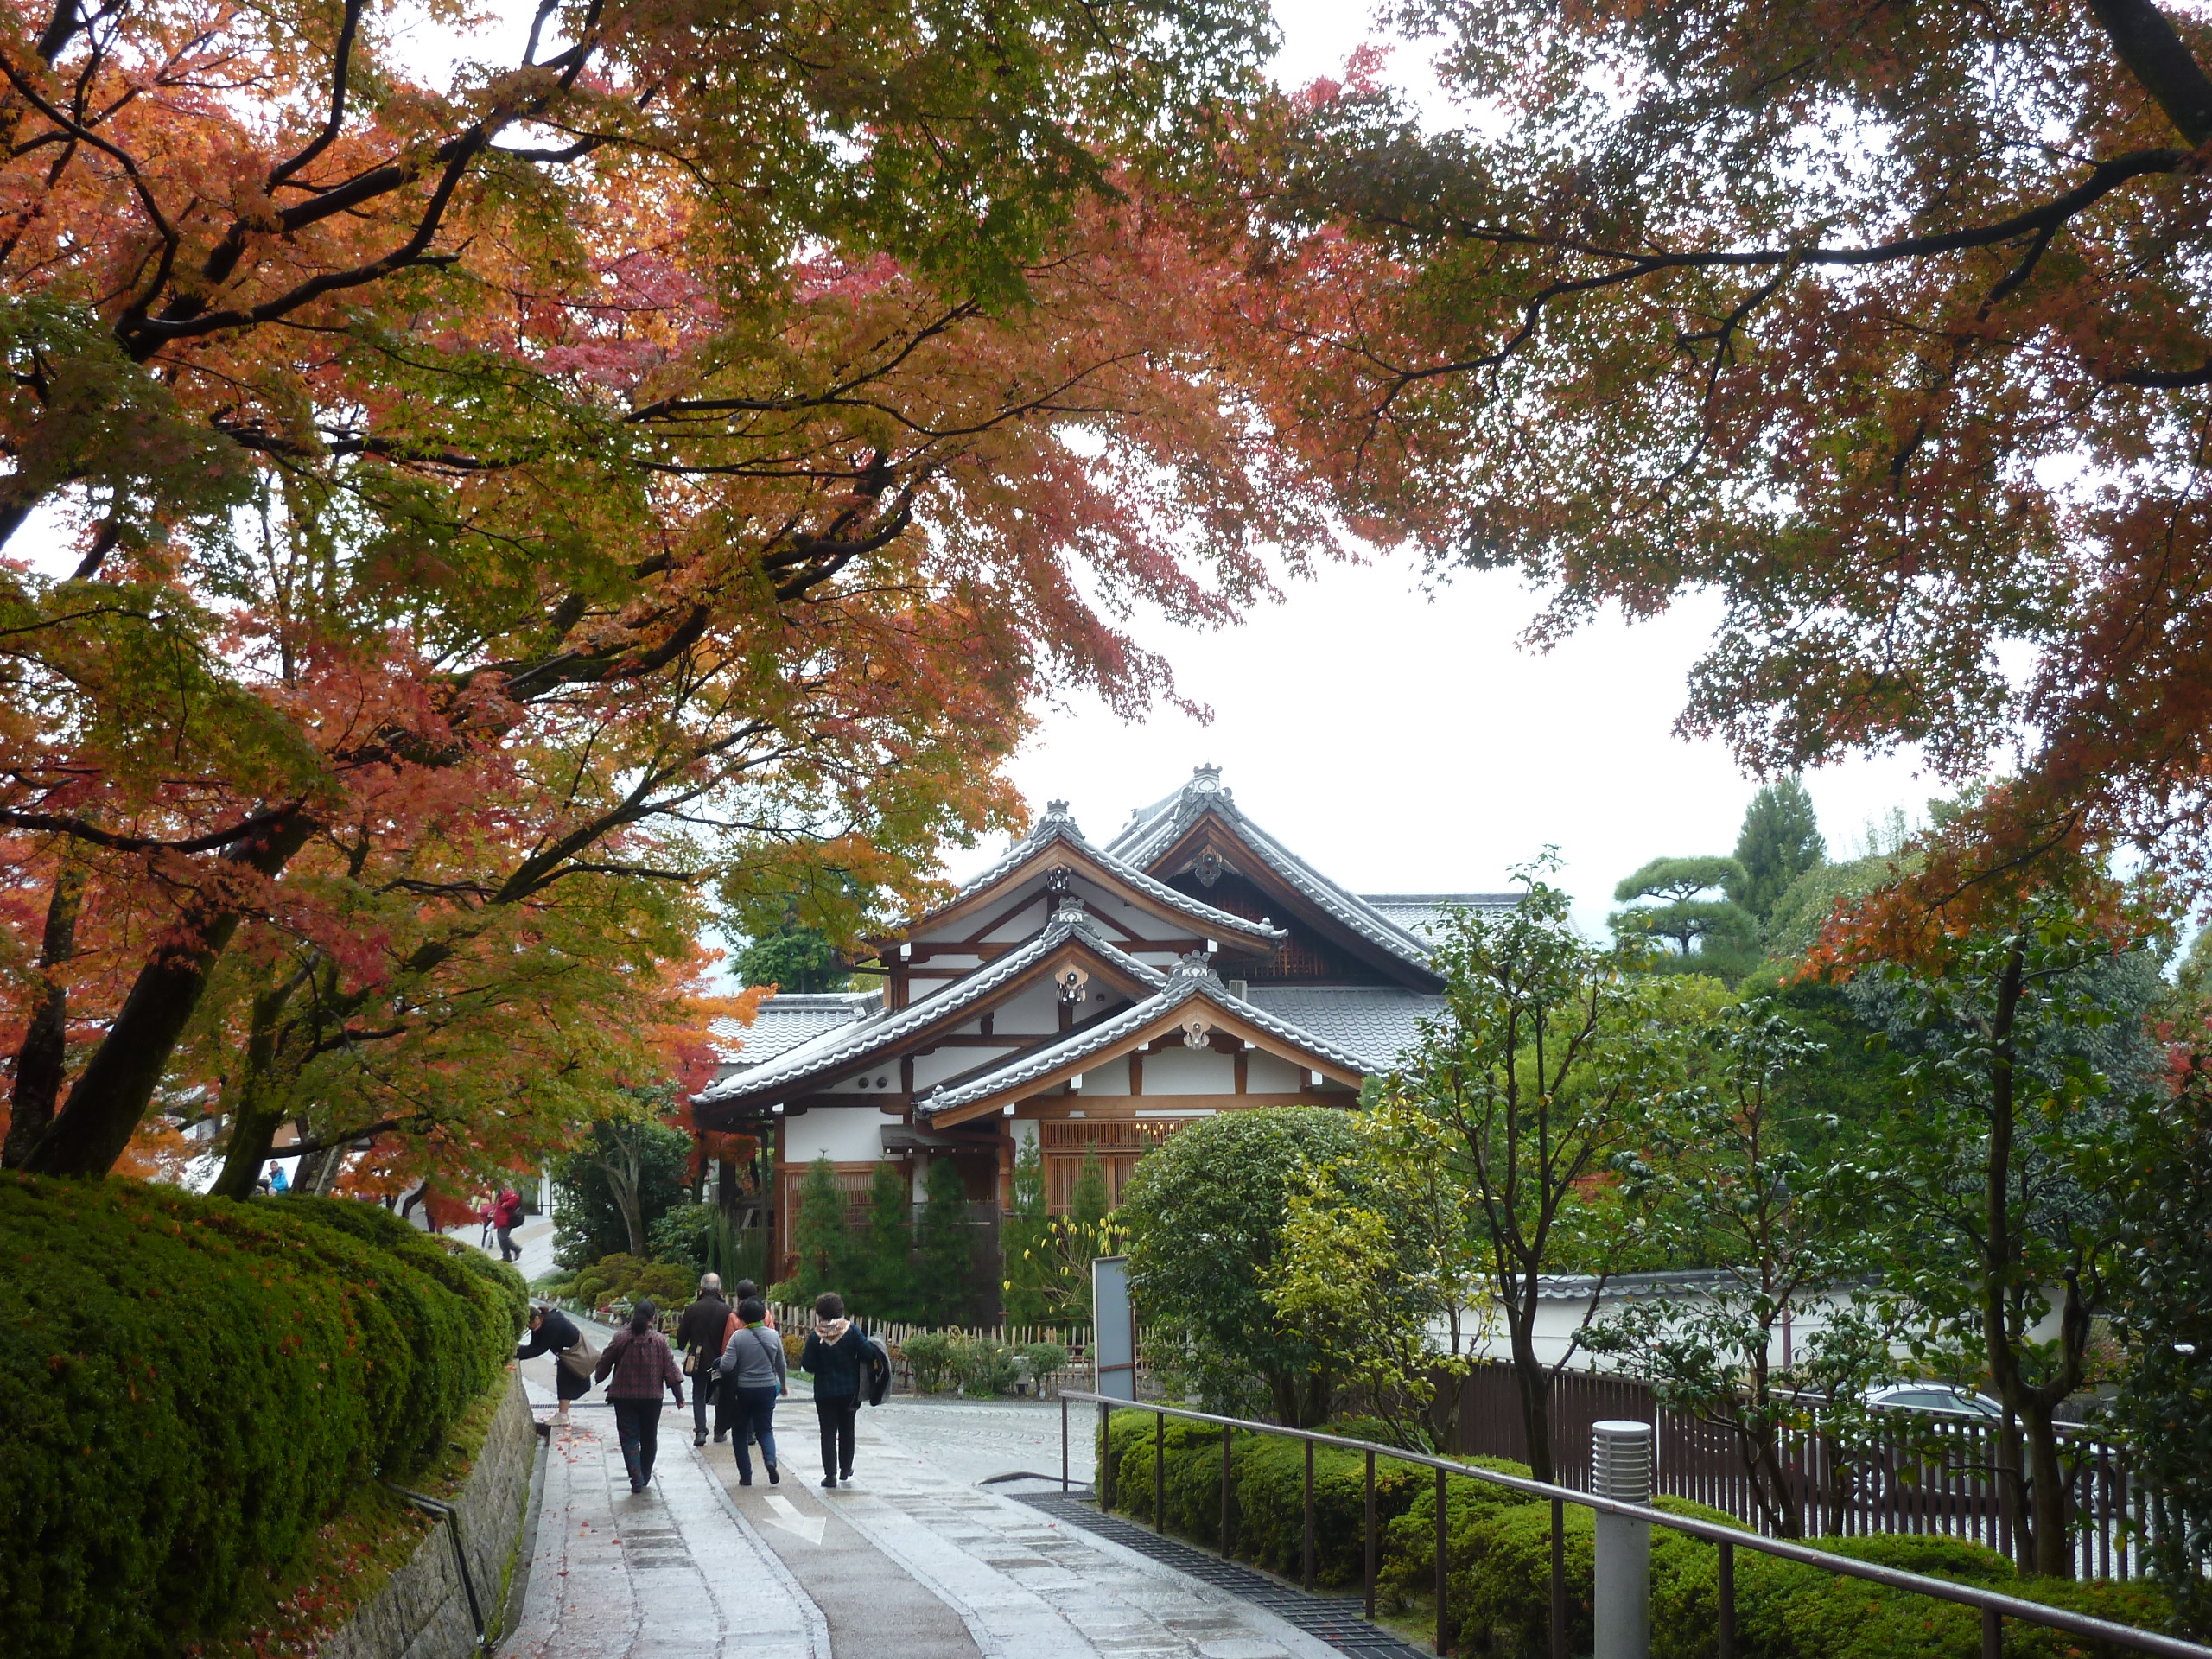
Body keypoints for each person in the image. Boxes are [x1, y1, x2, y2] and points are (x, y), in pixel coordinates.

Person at [595, 1300, 684, 1493]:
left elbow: (605, 1360)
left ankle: (636, 1477)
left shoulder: (621, 1337)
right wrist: (679, 1396)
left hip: (624, 1396)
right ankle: (645, 1475)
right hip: (652, 1397)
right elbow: (670, 1368)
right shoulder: (660, 1340)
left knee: (629, 1438)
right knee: (649, 1437)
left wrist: (598, 1376)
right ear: (653, 1318)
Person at [800, 1292, 869, 1490]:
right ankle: (845, 1469)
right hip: (849, 1390)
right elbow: (867, 1352)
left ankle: (830, 1475)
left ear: (819, 1313)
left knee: (828, 1432)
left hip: (824, 1391)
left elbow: (808, 1364)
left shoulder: (816, 1336)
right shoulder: (852, 1331)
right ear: (840, 1311)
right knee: (848, 1429)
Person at [715, 1296, 785, 1486]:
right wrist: (784, 1385)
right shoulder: (773, 1335)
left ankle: (746, 1475)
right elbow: (781, 1364)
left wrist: (720, 1363)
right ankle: (770, 1461)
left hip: (744, 1390)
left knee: (739, 1430)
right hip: (767, 1388)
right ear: (763, 1315)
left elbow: (727, 1365)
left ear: (742, 1317)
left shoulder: (738, 1337)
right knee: (765, 1429)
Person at [516, 1302, 597, 1425]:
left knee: (565, 1384)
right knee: (564, 1383)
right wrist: (517, 1350)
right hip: (566, 1353)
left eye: (530, 1324)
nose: (529, 1328)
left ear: (537, 1318)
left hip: (573, 1354)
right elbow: (534, 1345)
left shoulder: (552, 1324)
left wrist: (517, 1354)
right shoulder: (541, 1323)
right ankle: (562, 1415)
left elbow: (540, 1349)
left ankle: (563, 1416)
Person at [675, 1272, 731, 1446]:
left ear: (701, 1288)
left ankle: (700, 1431)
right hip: (721, 1359)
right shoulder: (726, 1310)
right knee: (721, 1394)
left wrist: (685, 1345)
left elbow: (681, 1338)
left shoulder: (692, 1309)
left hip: (698, 1359)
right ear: (720, 1289)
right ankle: (719, 1431)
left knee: (698, 1394)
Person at [493, 1186, 523, 1263]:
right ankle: (507, 1256)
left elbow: (515, 1198)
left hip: (505, 1220)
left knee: (503, 1238)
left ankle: (516, 1249)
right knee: (500, 1239)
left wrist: (506, 1204)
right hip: (500, 1220)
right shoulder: (499, 1195)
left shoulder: (505, 1193)